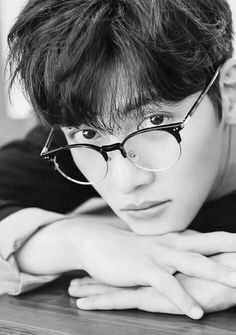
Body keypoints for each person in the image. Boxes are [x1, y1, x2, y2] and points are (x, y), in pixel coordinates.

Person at [1, 0, 236, 320]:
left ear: (229, 90)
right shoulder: (82, 132)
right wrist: (82, 244)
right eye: (88, 133)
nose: (127, 180)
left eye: (154, 122)